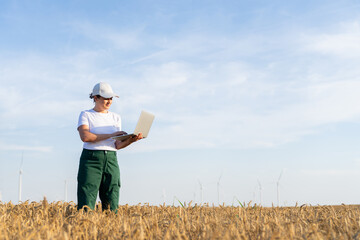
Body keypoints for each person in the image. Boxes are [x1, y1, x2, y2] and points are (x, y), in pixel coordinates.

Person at [77, 82, 142, 211]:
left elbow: (117, 144)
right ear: (95, 98)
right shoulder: (86, 114)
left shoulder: (116, 117)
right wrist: (111, 135)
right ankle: (83, 229)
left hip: (111, 159)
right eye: (106, 98)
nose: (109, 101)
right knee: (87, 198)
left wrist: (131, 140)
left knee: (112, 198)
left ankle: (111, 229)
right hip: (91, 159)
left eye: (111, 98)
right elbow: (85, 136)